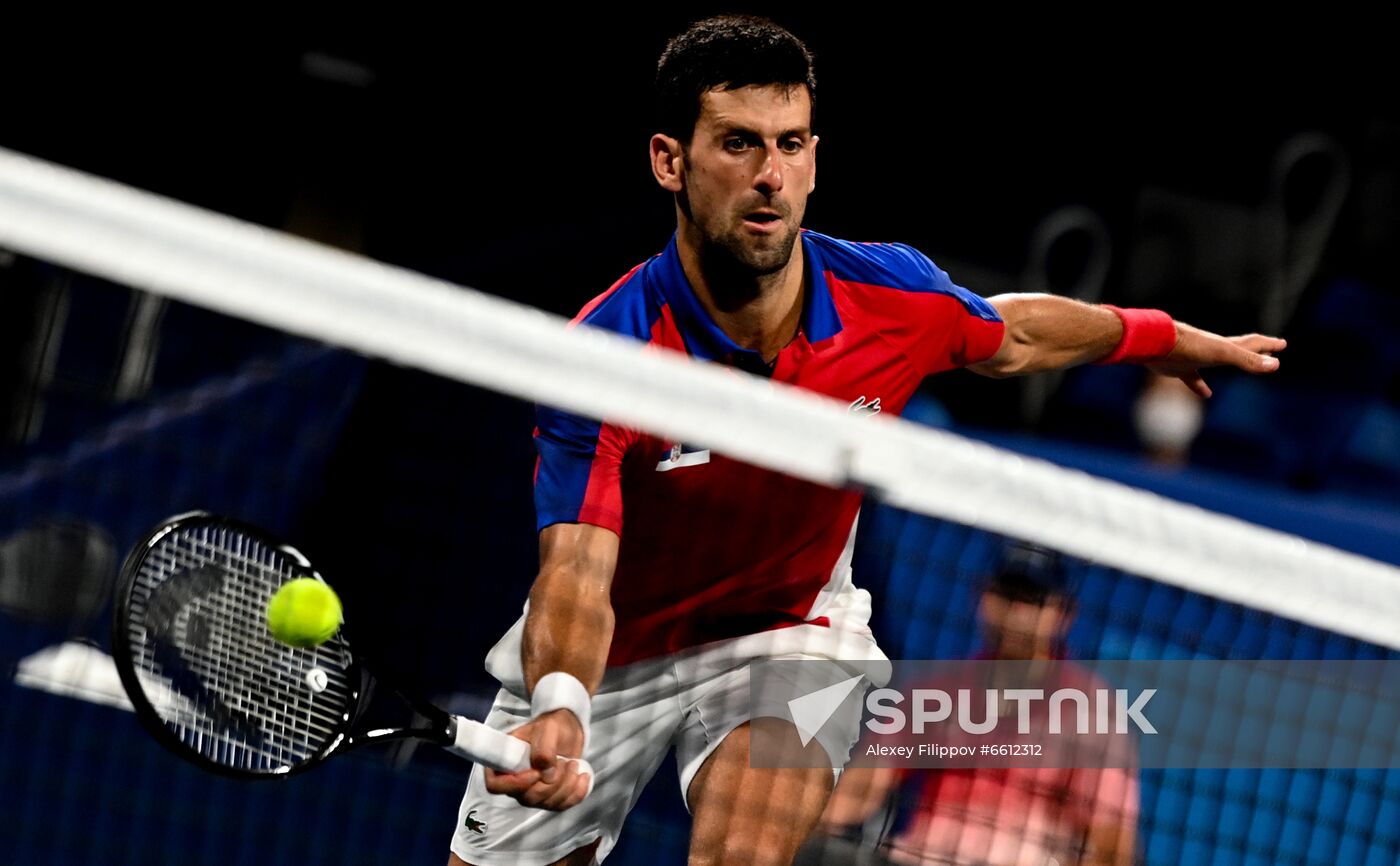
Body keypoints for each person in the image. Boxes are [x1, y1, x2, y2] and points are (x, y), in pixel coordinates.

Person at [449, 15, 1281, 866]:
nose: (771, 176)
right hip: (611, 652)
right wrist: (560, 700)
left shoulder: (885, 296)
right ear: (670, 161)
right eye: (739, 145)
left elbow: (1016, 335)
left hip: (791, 631)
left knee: (744, 846)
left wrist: (1159, 333)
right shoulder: (607, 355)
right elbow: (577, 570)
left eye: (792, 144)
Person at [800, 545, 1139, 866]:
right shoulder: (936, 692)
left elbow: (1111, 847)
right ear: (983, 596)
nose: (1018, 610)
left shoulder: (1094, 711)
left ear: (1063, 613)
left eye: (1033, 598)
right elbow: (861, 789)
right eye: (1009, 593)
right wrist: (795, 828)